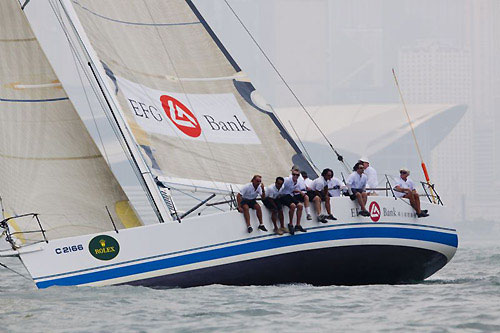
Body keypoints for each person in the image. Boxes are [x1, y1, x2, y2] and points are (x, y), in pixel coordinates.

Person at [280, 169, 306, 234]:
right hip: (283, 196)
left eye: (297, 175)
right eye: (293, 174)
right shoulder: (287, 180)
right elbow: (280, 187)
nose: (295, 176)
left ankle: (298, 224)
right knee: (293, 206)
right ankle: (290, 224)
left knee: (300, 206)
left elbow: (293, 190)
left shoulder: (297, 182)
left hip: (290, 195)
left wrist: (300, 191)